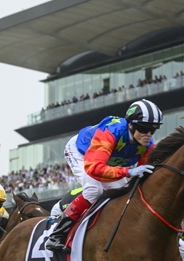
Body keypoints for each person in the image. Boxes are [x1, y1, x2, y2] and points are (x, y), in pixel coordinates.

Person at [45, 99, 162, 251]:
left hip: (106, 158)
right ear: (131, 125)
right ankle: (56, 235)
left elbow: (142, 178)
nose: (148, 135)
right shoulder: (111, 133)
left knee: (126, 194)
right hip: (82, 153)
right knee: (94, 190)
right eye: (144, 129)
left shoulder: (148, 144)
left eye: (153, 130)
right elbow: (95, 168)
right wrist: (128, 172)